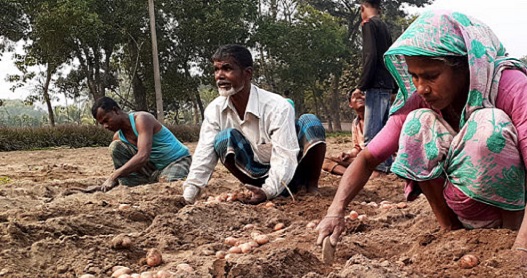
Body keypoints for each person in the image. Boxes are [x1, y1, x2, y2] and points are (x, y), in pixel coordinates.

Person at [316, 10, 527, 278]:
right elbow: (369, 157)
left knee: (489, 126)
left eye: (431, 76)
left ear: (465, 67)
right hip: (467, 209)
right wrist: (335, 211)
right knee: (415, 124)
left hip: (522, 209)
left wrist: (524, 250)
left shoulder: (508, 83)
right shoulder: (419, 100)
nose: (421, 88)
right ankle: (450, 229)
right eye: (414, 77)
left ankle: (510, 234)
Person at [182, 44, 327, 204]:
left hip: (293, 171)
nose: (219, 76)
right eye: (216, 70)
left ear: (248, 73)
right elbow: (204, 154)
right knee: (223, 139)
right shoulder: (214, 110)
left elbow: (285, 156)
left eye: (227, 69)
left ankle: (310, 186)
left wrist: (269, 190)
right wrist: (188, 195)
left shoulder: (277, 106)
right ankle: (254, 189)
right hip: (256, 174)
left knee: (310, 122)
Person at [91, 97, 191, 192]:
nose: (105, 126)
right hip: (153, 168)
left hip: (177, 161)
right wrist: (107, 185)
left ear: (115, 110)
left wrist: (114, 176)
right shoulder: (118, 137)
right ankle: (137, 183)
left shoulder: (142, 119)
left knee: (168, 185)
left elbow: (143, 155)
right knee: (115, 146)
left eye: (106, 120)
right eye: (102, 123)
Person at [355, 0, 395, 173]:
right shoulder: (384, 26)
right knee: (385, 130)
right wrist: (394, 86)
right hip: (386, 84)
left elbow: (370, 56)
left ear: (362, 8)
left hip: (376, 85)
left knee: (372, 133)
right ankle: (385, 165)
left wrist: (361, 85)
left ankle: (377, 168)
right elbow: (390, 57)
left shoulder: (369, 25)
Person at [322, 89, 366, 176]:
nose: (359, 98)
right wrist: (348, 154)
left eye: (362, 95)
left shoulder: (378, 119)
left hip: (373, 160)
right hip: (360, 159)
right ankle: (351, 175)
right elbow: (357, 148)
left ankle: (357, 175)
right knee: (324, 161)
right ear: (350, 104)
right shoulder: (355, 123)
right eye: (355, 97)